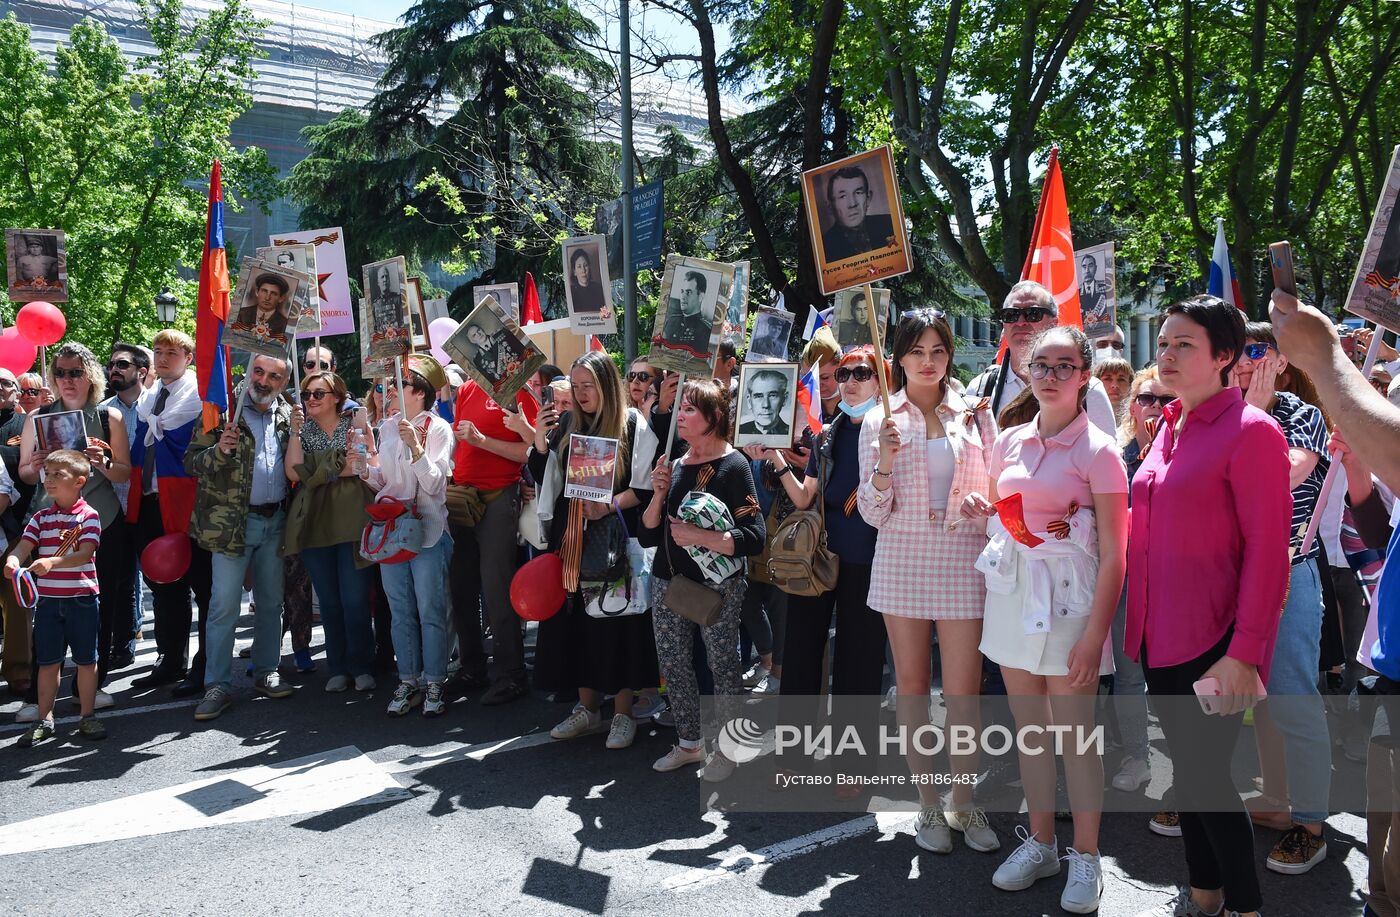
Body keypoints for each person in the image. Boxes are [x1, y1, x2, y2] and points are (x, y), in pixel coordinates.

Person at [1125, 294, 1289, 917]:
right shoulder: (1167, 427)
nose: (1166, 354)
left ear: (1225, 357)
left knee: (1206, 781)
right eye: (1163, 343)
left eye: (1183, 344)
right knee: (1192, 780)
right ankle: (1204, 896)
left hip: (1217, 646)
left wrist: (1244, 655)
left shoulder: (1251, 431)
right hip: (1159, 637)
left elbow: (1269, 551)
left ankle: (1244, 906)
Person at [964, 325, 1128, 913]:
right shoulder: (1009, 441)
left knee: (1076, 740)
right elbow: (1006, 513)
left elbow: (1116, 555)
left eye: (1064, 365)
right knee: (1032, 736)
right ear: (1027, 372)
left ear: (1085, 375)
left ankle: (1087, 856)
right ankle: (1041, 843)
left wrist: (1095, 635)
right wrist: (978, 507)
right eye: (1041, 365)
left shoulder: (1101, 451)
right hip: (1013, 596)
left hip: (1070, 604)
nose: (1051, 376)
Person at [858, 308, 999, 855]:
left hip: (964, 558)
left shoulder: (974, 414)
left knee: (965, 692)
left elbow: (992, 492)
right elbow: (872, 512)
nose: (928, 361)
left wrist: (982, 506)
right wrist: (885, 462)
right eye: (917, 351)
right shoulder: (879, 420)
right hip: (902, 558)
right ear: (899, 356)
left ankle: (964, 800)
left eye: (937, 350)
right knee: (913, 687)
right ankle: (928, 804)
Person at [1231, 321, 1333, 874]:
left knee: (1292, 698)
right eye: (1237, 349)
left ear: (1280, 360)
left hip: (1288, 575)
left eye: (1256, 350)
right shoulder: (1220, 410)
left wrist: (1260, 410)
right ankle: (1269, 803)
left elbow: (1277, 475)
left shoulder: (1300, 414)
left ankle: (1311, 824)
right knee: (1232, 694)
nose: (1245, 361)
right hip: (1231, 577)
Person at [763, 348, 890, 789]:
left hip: (872, 561)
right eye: (843, 373)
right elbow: (804, 498)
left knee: (858, 662)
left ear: (881, 381)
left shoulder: (893, 432)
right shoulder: (830, 433)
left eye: (862, 373)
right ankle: (793, 754)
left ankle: (852, 766)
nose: (850, 381)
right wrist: (776, 460)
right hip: (819, 557)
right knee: (799, 651)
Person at [529, 351, 660, 748]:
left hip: (614, 540)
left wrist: (609, 504)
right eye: (577, 385)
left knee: (617, 622)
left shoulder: (632, 424)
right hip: (572, 539)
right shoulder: (567, 423)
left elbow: (645, 486)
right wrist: (538, 439)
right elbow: (544, 477)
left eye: (589, 385)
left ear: (606, 385)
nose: (582, 393)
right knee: (577, 625)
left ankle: (622, 713)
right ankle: (587, 708)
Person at [640, 378, 766, 778]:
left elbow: (755, 537)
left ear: (713, 418)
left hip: (719, 587)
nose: (680, 416)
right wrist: (658, 494)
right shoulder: (675, 464)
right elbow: (647, 533)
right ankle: (690, 744)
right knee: (674, 663)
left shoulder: (734, 466)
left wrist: (701, 537)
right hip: (669, 581)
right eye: (680, 408)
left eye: (690, 409)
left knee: (722, 664)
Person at [18, 343, 132, 714]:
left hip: (101, 522)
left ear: (91, 376)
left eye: (76, 372)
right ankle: (39, 698)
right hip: (50, 527)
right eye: (61, 373)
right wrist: (34, 466)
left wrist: (102, 463)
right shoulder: (37, 417)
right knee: (47, 609)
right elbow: (23, 472)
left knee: (98, 606)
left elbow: (124, 473)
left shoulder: (109, 417)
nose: (68, 380)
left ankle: (92, 687)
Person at [182, 356, 295, 721]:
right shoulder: (220, 411)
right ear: (247, 373)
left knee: (271, 603)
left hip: (275, 520)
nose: (264, 380)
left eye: (274, 376)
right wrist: (219, 451)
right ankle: (218, 684)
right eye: (258, 372)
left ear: (283, 381)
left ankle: (266, 671)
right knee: (223, 607)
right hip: (231, 525)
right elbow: (191, 462)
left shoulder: (289, 414)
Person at [358, 355, 455, 717]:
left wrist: (416, 448)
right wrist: (364, 469)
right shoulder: (386, 427)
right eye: (383, 386)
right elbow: (384, 484)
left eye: (391, 386)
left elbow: (434, 484)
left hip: (427, 530)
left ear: (417, 391)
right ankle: (408, 679)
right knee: (400, 611)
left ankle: (435, 681)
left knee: (430, 609)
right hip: (393, 531)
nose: (384, 392)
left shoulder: (438, 428)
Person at [446, 364, 539, 705]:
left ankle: (511, 674)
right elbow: (462, 445)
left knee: (497, 587)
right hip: (464, 497)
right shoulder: (468, 388)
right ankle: (472, 668)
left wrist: (482, 441)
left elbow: (530, 450)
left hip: (499, 496)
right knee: (461, 586)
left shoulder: (519, 391)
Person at [128, 330, 212, 695]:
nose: (162, 359)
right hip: (151, 503)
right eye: (158, 352)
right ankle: (170, 658)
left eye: (171, 353)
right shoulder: (149, 399)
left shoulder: (197, 397)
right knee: (163, 587)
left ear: (188, 358)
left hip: (186, 506)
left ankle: (206, 664)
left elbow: (186, 449)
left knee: (203, 588)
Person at [1109, 366, 1175, 796]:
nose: (1153, 407)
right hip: (1121, 576)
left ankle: (1169, 762)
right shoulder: (1114, 452)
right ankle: (1134, 752)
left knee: (1168, 674)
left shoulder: (1185, 447)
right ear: (1131, 406)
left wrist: (1160, 458)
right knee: (1125, 673)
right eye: (1145, 398)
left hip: (1168, 578)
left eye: (1163, 401)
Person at [9, 450, 103, 746]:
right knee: (48, 663)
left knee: (86, 661)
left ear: (79, 481)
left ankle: (87, 716)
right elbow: (23, 547)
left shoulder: (89, 516)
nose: (48, 480)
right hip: (48, 601)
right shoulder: (40, 517)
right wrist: (13, 561)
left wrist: (51, 563)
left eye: (57, 475)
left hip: (82, 599)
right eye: (46, 474)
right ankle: (44, 719)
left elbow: (85, 553)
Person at [967, 281, 1117, 433]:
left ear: (1054, 323)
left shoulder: (1088, 390)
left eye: (1032, 314)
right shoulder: (981, 388)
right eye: (1011, 315)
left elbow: (1106, 453)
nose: (1020, 322)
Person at [101, 343, 149, 668]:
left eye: (122, 364)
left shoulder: (160, 408)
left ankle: (170, 654)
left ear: (141, 371)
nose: (114, 370)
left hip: (149, 506)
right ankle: (122, 645)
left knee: (161, 580)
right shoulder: (101, 412)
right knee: (119, 581)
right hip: (114, 508)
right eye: (111, 365)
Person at [820, 165, 896, 261]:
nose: (852, 204)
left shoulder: (889, 223)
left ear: (868, 198)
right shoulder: (824, 245)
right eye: (842, 196)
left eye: (858, 193)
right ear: (830, 206)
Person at [661, 270, 714, 354]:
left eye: (688, 292)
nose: (683, 296)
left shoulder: (706, 330)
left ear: (701, 296)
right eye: (682, 291)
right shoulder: (671, 321)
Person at [801, 329, 842, 421]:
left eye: (824, 377)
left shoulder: (857, 409)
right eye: (810, 379)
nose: (818, 384)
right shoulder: (798, 411)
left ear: (841, 369)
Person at [738, 369, 792, 439]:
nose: (766, 405)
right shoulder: (739, 432)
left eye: (772, 395)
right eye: (758, 396)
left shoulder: (791, 436)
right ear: (749, 401)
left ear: (784, 399)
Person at [234, 273, 291, 337]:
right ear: (257, 292)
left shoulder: (284, 323)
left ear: (281, 298)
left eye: (274, 293)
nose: (267, 298)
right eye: (264, 291)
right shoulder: (241, 313)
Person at [568, 248, 607, 313]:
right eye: (579, 266)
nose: (583, 270)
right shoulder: (571, 293)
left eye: (585, 265)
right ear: (574, 271)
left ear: (589, 267)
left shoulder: (599, 288)